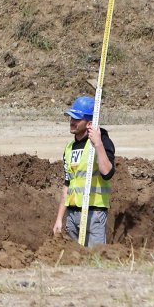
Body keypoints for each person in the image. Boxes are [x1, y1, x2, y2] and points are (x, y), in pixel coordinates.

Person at [53, 95, 118, 245]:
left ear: (89, 123)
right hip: (73, 214)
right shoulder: (69, 148)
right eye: (71, 118)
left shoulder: (102, 142)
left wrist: (98, 144)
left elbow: (107, 173)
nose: (72, 122)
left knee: (94, 257)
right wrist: (59, 219)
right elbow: (67, 185)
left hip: (94, 213)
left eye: (77, 119)